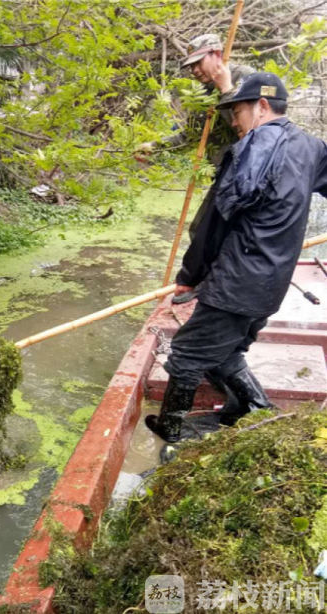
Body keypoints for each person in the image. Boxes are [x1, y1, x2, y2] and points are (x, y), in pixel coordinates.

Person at [145, 72, 327, 443]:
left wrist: (190, 274)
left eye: (238, 113)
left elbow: (213, 222)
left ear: (261, 106)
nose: (234, 123)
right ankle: (251, 407)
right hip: (273, 283)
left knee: (186, 355)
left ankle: (171, 432)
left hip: (236, 281)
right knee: (226, 351)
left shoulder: (250, 149)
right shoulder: (313, 148)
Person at [136, 35, 255, 304]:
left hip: (248, 170)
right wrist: (155, 148)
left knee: (212, 230)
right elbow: (190, 136)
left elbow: (250, 130)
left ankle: (212, 287)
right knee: (204, 229)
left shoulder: (245, 77)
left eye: (198, 62)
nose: (195, 71)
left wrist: (226, 89)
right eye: (191, 66)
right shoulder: (200, 92)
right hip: (222, 172)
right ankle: (208, 285)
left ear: (216, 53)